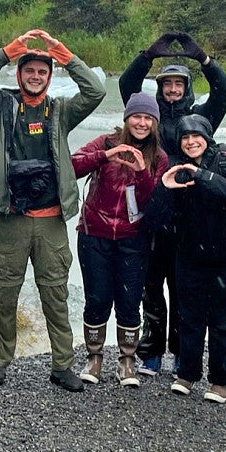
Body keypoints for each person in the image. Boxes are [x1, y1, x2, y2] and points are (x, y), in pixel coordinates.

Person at [0, 28, 105, 391]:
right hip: (11, 220)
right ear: (19, 73)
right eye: (30, 69)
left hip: (50, 224)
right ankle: (0, 359)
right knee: (3, 294)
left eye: (43, 71)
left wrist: (63, 53)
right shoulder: (3, 107)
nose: (36, 76)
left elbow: (96, 91)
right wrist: (9, 49)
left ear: (49, 75)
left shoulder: (60, 112)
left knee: (56, 296)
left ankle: (62, 365)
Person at [118, 30, 226, 377]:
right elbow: (127, 84)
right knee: (151, 287)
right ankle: (151, 352)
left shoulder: (200, 120)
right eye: (166, 84)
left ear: (186, 88)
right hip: (154, 213)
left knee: (183, 289)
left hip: (190, 216)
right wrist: (147, 55)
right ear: (159, 87)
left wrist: (203, 59)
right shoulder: (148, 119)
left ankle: (184, 354)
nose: (172, 90)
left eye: (178, 85)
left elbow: (225, 92)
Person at [147, 114, 226, 403]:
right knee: (189, 319)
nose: (191, 141)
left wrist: (204, 177)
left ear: (207, 138)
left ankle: (220, 381)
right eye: (185, 137)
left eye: (197, 136)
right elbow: (154, 218)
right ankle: (187, 373)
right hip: (189, 257)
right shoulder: (175, 169)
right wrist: (164, 188)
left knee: (224, 322)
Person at [70, 92, 170, 386]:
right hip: (94, 234)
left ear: (154, 123)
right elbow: (73, 166)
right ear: (127, 119)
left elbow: (155, 202)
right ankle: (94, 358)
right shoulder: (106, 142)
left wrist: (141, 173)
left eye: (147, 118)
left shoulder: (160, 157)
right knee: (97, 298)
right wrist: (106, 156)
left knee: (128, 302)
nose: (141, 123)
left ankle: (127, 361)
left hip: (133, 239)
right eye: (136, 117)